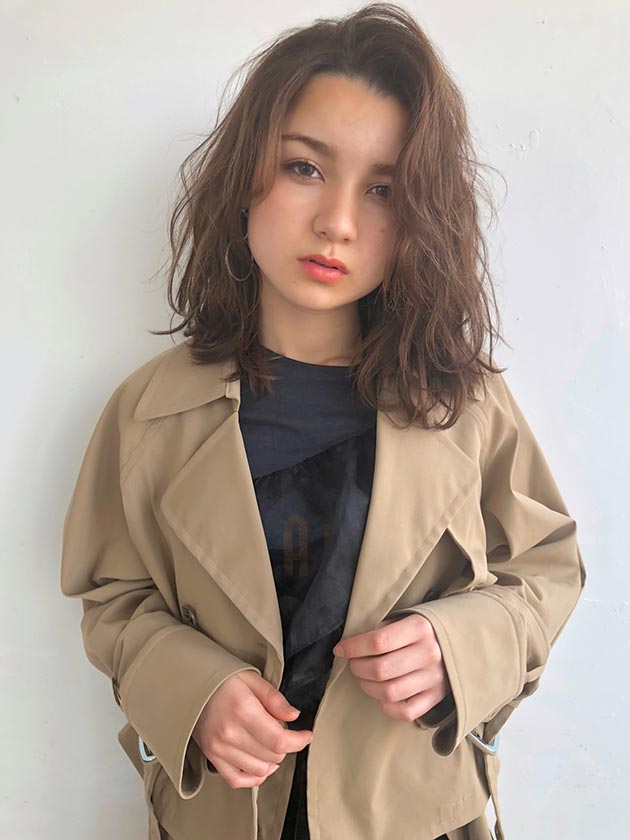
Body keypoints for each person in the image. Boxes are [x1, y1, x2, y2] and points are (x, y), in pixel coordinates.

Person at [60, 4, 586, 839]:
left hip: (416, 815)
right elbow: (114, 597)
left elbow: (547, 571)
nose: (338, 222)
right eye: (305, 168)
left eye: (383, 190)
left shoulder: (464, 403)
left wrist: (456, 646)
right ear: (246, 176)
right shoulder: (150, 411)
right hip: (217, 815)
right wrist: (193, 691)